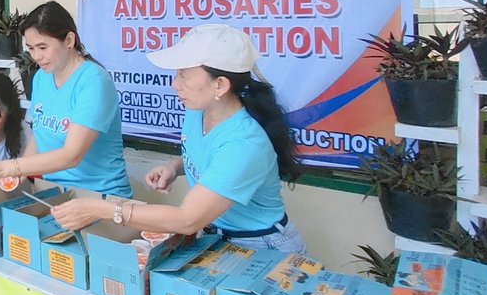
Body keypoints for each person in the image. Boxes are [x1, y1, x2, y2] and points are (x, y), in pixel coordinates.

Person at [52, 24, 306, 251]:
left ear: (220, 85)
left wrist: (103, 209)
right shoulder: (198, 111)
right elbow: (212, 158)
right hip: (215, 236)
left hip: (260, 245)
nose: (175, 84)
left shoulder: (245, 144)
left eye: (184, 74)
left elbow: (188, 219)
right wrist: (174, 167)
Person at [0, 1, 130, 199]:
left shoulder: (93, 81)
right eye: (31, 48)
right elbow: (39, 136)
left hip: (100, 197)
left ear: (69, 40)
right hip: (55, 193)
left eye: (43, 47)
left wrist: (9, 167)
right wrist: (18, 176)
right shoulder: (41, 78)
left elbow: (71, 155)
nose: (37, 57)